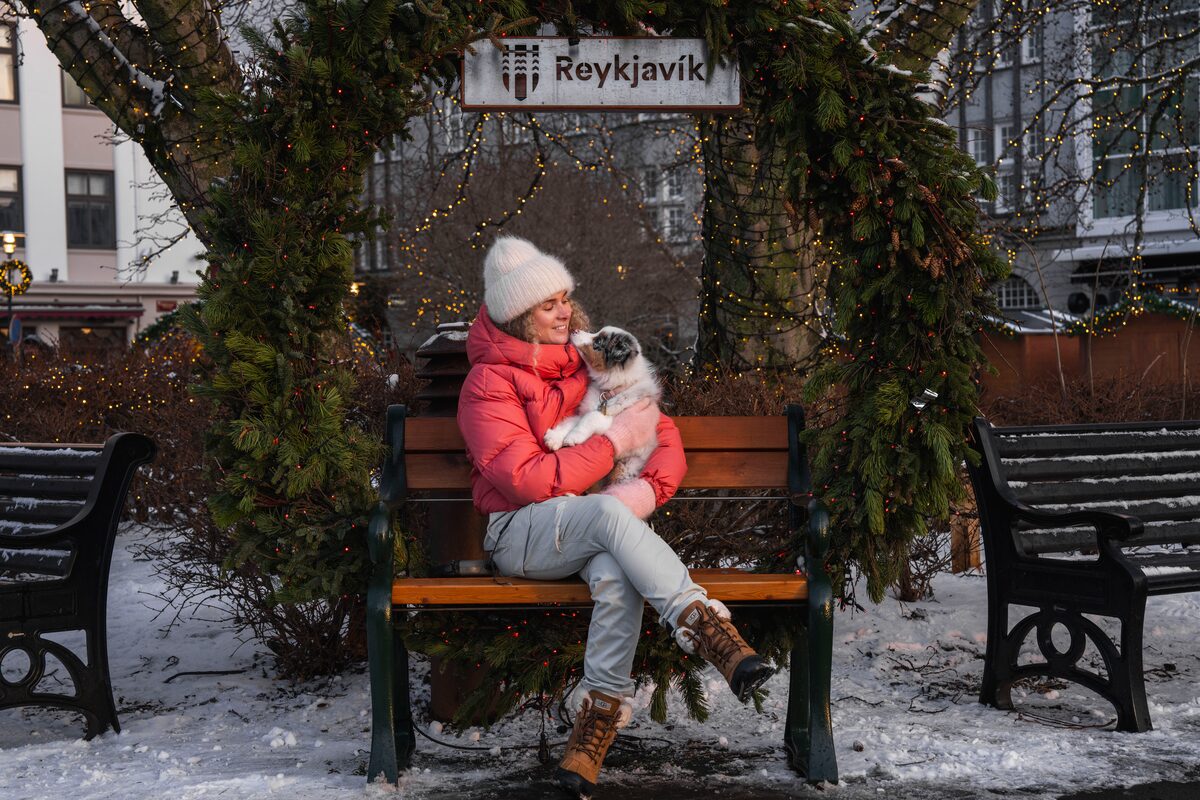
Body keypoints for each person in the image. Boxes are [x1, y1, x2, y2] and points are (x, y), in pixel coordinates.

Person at [457, 236, 774, 798]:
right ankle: (704, 626)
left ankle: (591, 736)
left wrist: (641, 498)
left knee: (616, 571)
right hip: (520, 532)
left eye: (563, 298)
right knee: (604, 521)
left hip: (595, 525)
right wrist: (610, 451)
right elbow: (528, 481)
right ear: (517, 315)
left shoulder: (589, 362)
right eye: (547, 303)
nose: (563, 311)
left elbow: (661, 433)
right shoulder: (488, 383)